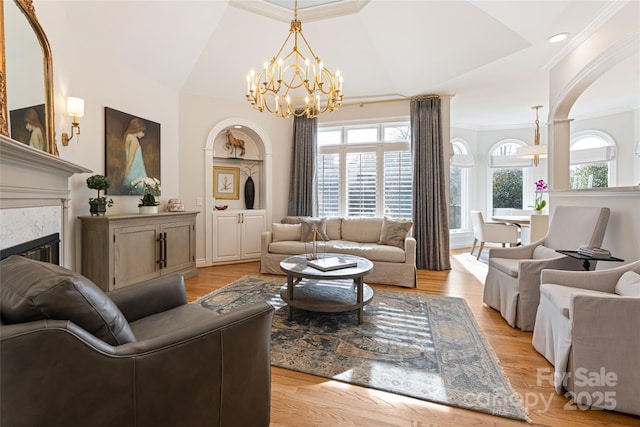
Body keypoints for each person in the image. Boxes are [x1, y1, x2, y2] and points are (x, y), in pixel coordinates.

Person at [121, 118, 148, 194]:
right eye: (142, 132)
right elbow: (131, 157)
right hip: (135, 172)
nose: (143, 135)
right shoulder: (134, 140)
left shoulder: (127, 137)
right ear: (137, 129)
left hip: (133, 170)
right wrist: (127, 172)